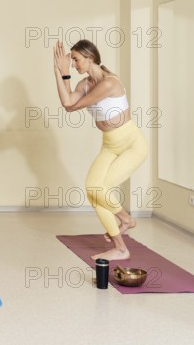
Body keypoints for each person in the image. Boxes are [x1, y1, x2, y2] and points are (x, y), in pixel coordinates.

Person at [53, 39, 147, 261]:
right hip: (110, 144)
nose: (73, 64)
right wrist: (59, 71)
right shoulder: (84, 84)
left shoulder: (109, 83)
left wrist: (64, 72)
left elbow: (73, 105)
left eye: (75, 59)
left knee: (101, 187)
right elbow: (67, 103)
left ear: (90, 57)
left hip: (131, 144)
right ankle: (120, 248)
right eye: (72, 61)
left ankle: (126, 220)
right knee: (92, 191)